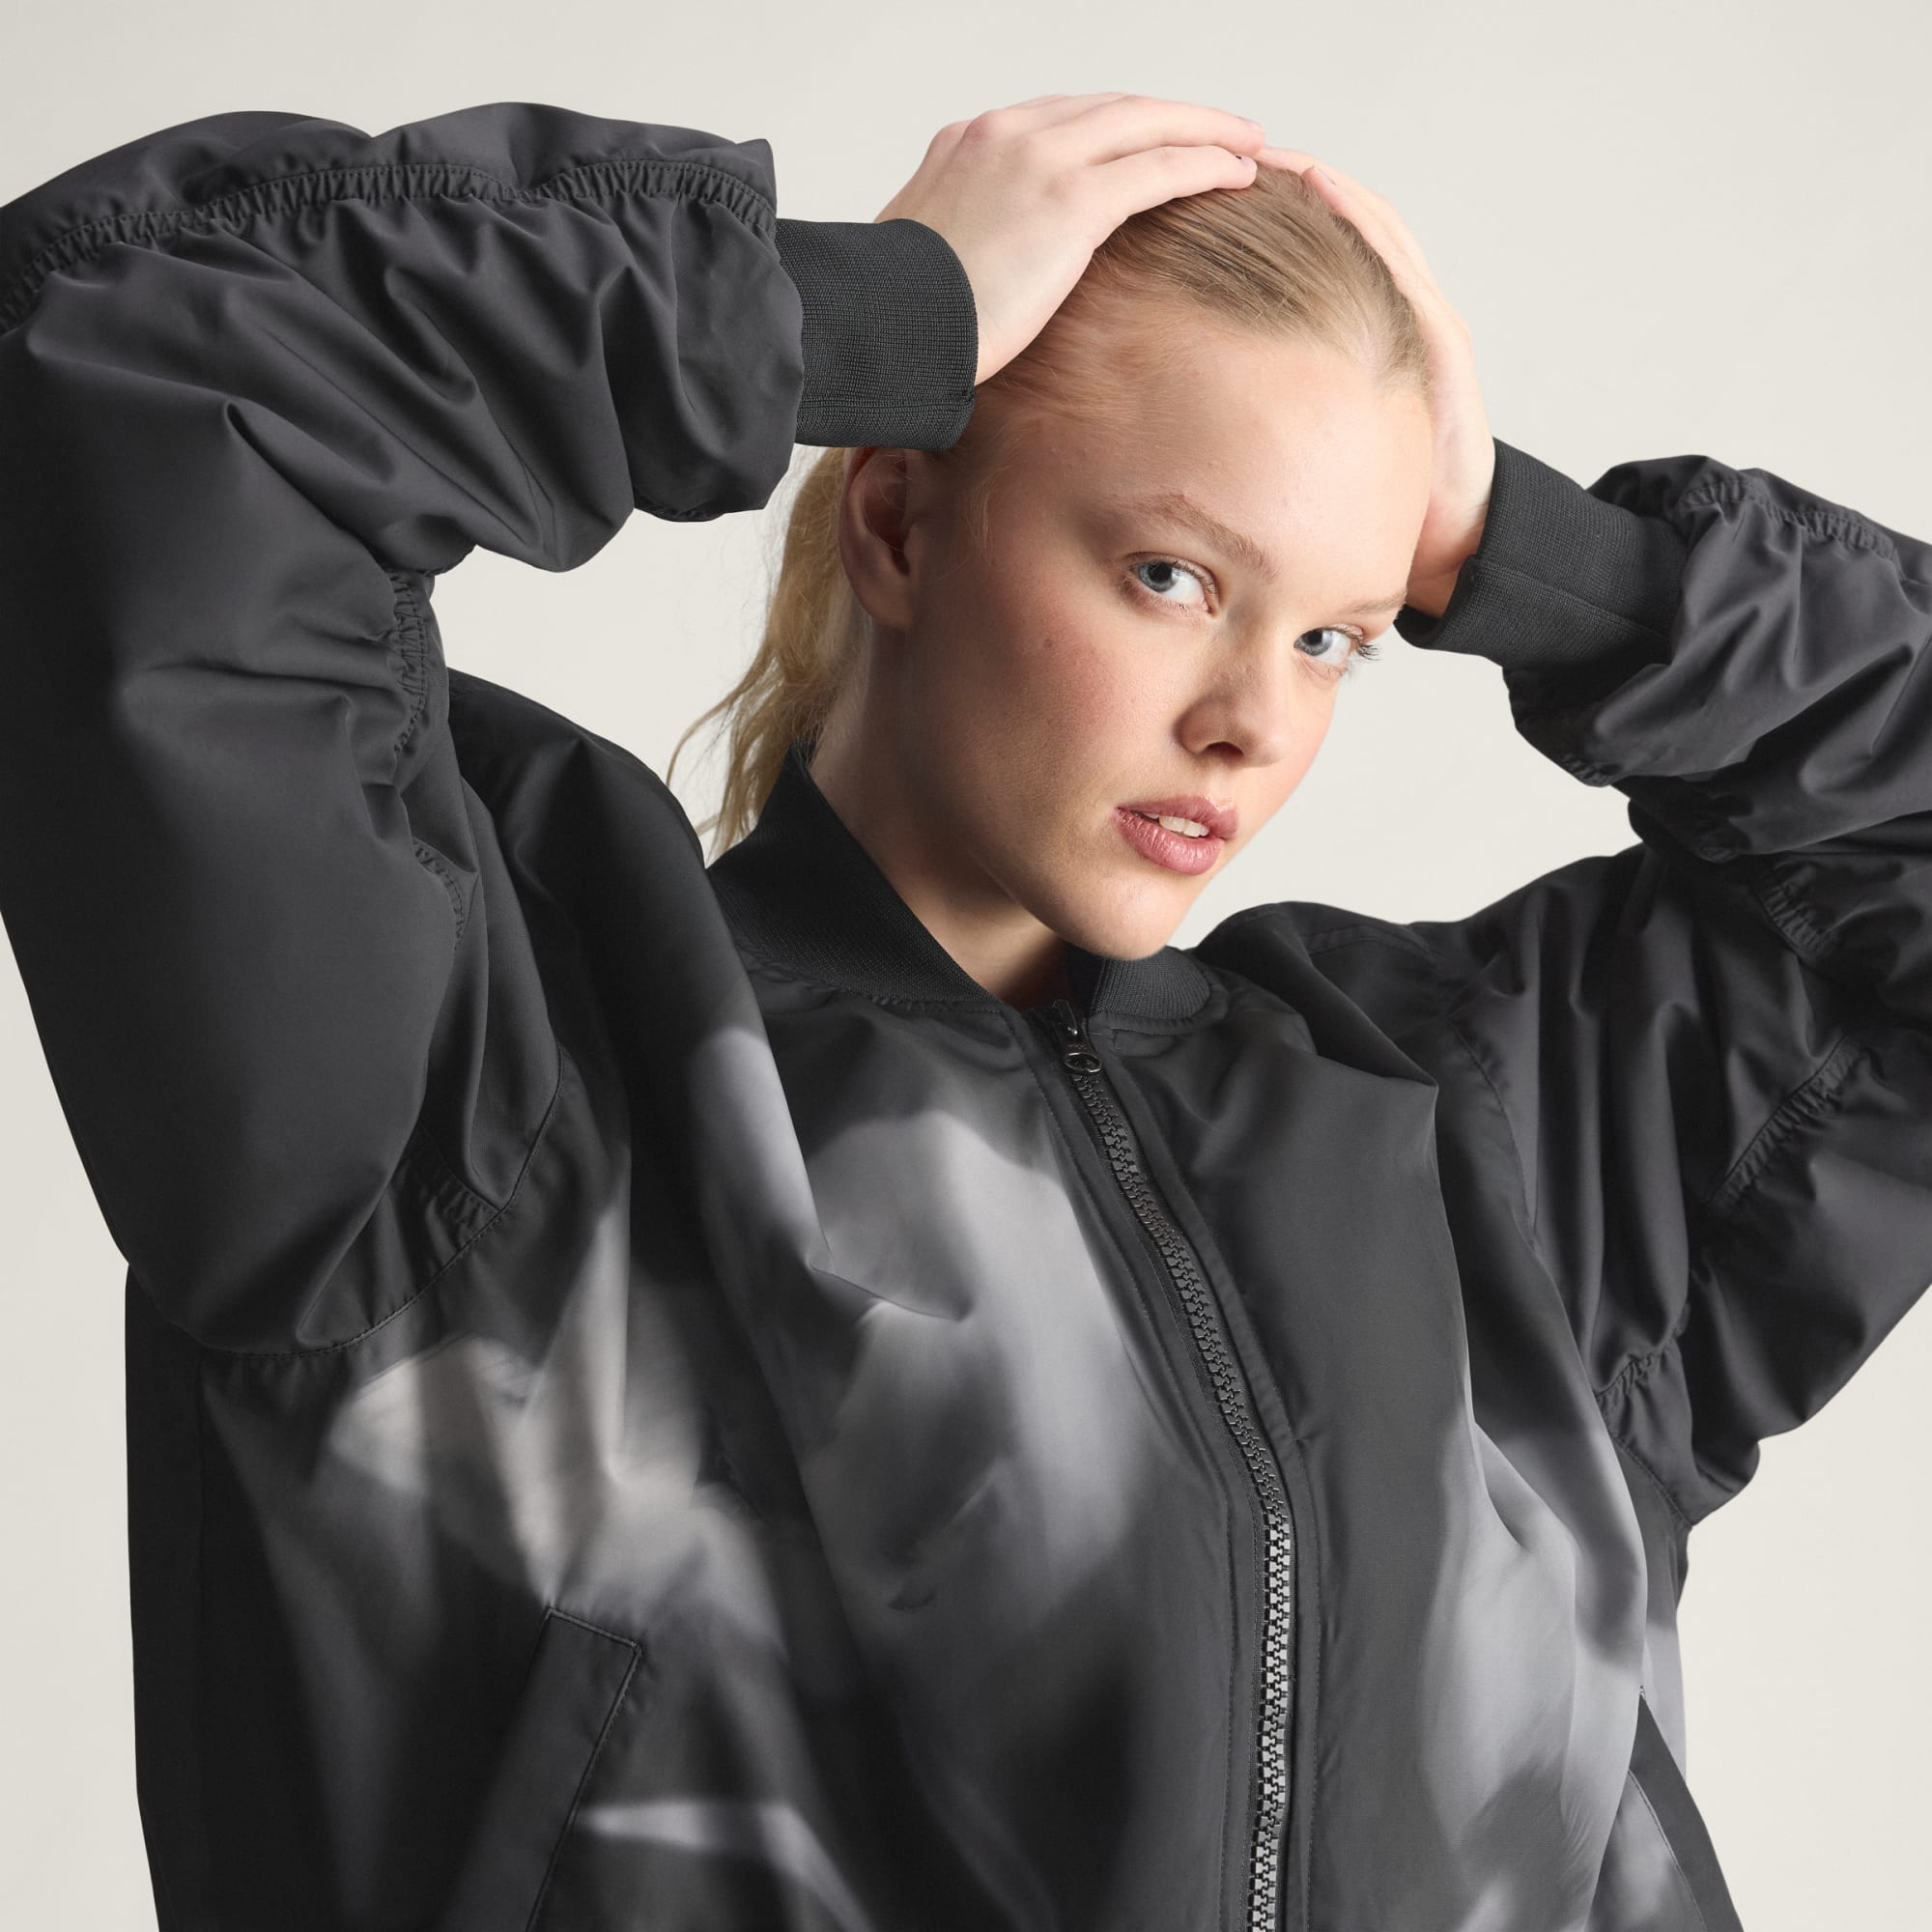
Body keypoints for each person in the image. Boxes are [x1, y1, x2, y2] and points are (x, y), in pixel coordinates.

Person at [0, 89, 1924, 1932]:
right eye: (1172, 574)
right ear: (900, 526)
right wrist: (849, 314)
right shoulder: (489, 1081)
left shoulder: (1477, 1144)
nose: (1252, 719)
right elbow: (126, 374)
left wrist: (1548, 567)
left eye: (1333, 634)